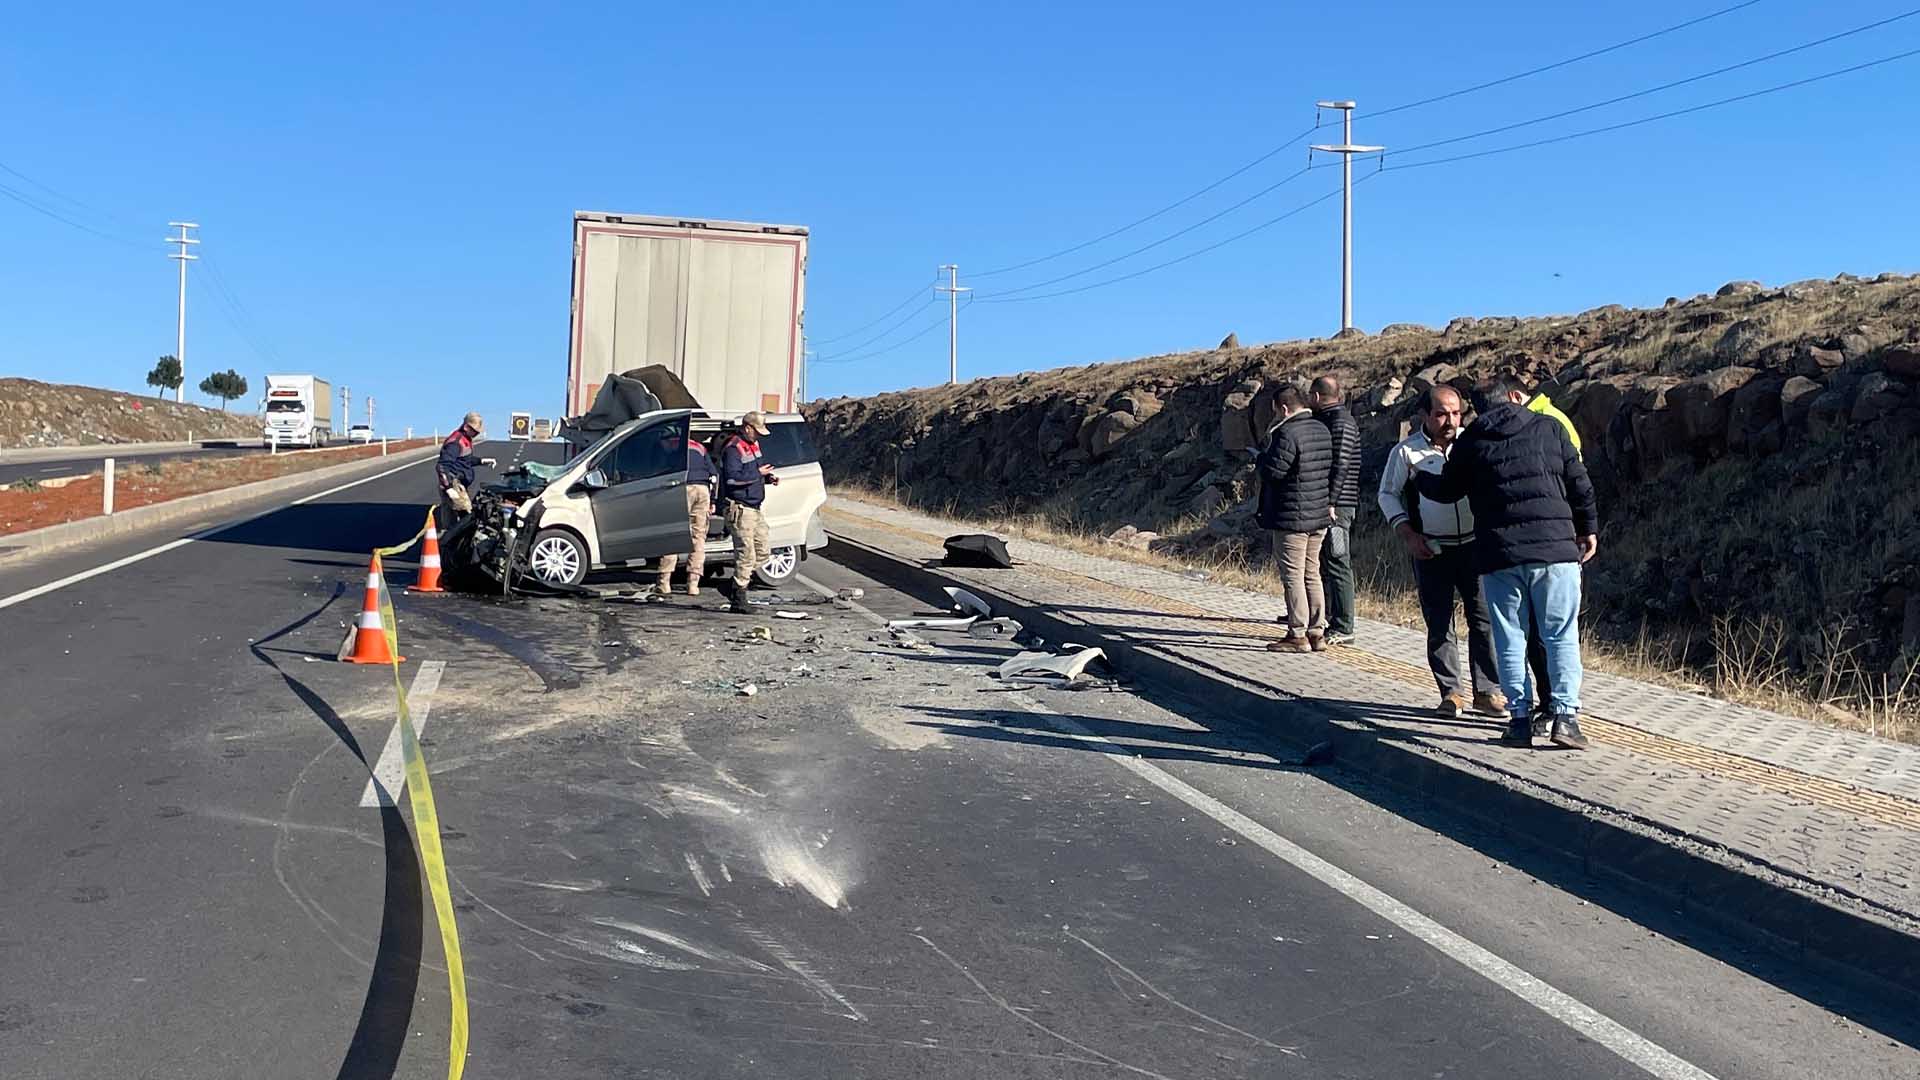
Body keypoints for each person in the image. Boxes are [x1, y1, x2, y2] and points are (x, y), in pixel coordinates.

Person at [1413, 373, 1599, 749]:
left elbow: (1448, 491)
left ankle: (1518, 720)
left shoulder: (1473, 441)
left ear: (1478, 410)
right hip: (1555, 551)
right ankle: (1565, 718)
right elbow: (1579, 483)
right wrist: (1587, 529)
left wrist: (1419, 477)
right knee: (1560, 635)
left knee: (1511, 636)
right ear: (1514, 398)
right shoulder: (1549, 428)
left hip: (1499, 555)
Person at [1377, 386, 1505, 719]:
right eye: (1441, 414)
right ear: (1424, 415)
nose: (1450, 420)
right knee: (1439, 622)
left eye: (1456, 413)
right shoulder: (1406, 452)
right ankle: (1451, 693)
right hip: (1431, 548)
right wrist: (1407, 534)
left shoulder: (1473, 443)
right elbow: (1387, 495)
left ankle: (1488, 692)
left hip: (1475, 546)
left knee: (1484, 620)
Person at [1255, 384, 1335, 653]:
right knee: (1313, 573)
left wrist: (1260, 460)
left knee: (1293, 576)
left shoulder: (1286, 432)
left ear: (1284, 408)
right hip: (1318, 514)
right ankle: (1317, 632)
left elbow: (1274, 471)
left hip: (1291, 516)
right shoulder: (1322, 429)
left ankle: (1297, 634)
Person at [1521, 388, 1582, 720]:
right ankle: (1561, 710)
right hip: (1557, 538)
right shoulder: (1552, 420)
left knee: (1545, 633)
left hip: (1543, 542)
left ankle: (1550, 708)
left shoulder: (1546, 423)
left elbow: (1571, 479)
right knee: (1554, 633)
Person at [1311, 375, 1362, 646]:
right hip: (1331, 502)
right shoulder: (1332, 419)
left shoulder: (1340, 422)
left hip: (1338, 506)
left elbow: (1340, 465)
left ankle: (1344, 625)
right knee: (1323, 560)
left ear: (1317, 396)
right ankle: (1323, 614)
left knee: (1337, 559)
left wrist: (1330, 501)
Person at [717, 411, 777, 615]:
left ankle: (734, 586)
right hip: (740, 508)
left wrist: (767, 479)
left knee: (763, 551)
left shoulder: (754, 445)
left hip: (755, 507)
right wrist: (757, 474)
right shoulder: (733, 449)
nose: (759, 436)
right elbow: (732, 479)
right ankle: (739, 599)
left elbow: (753, 473)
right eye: (757, 431)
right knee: (746, 553)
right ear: (747, 428)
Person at [653, 427, 716, 598]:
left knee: (675, 533)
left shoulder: (671, 446)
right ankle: (693, 584)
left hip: (683, 488)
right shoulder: (699, 447)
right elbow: (714, 473)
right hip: (703, 489)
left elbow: (661, 471)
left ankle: (664, 582)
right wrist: (713, 501)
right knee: (698, 536)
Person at [435, 411, 495, 517]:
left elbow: (464, 460)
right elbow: (442, 466)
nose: (477, 434)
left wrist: (481, 461)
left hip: (459, 484)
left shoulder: (465, 439)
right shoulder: (455, 442)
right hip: (454, 483)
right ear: (467, 427)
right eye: (475, 431)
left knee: (456, 517)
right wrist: (448, 488)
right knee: (465, 517)